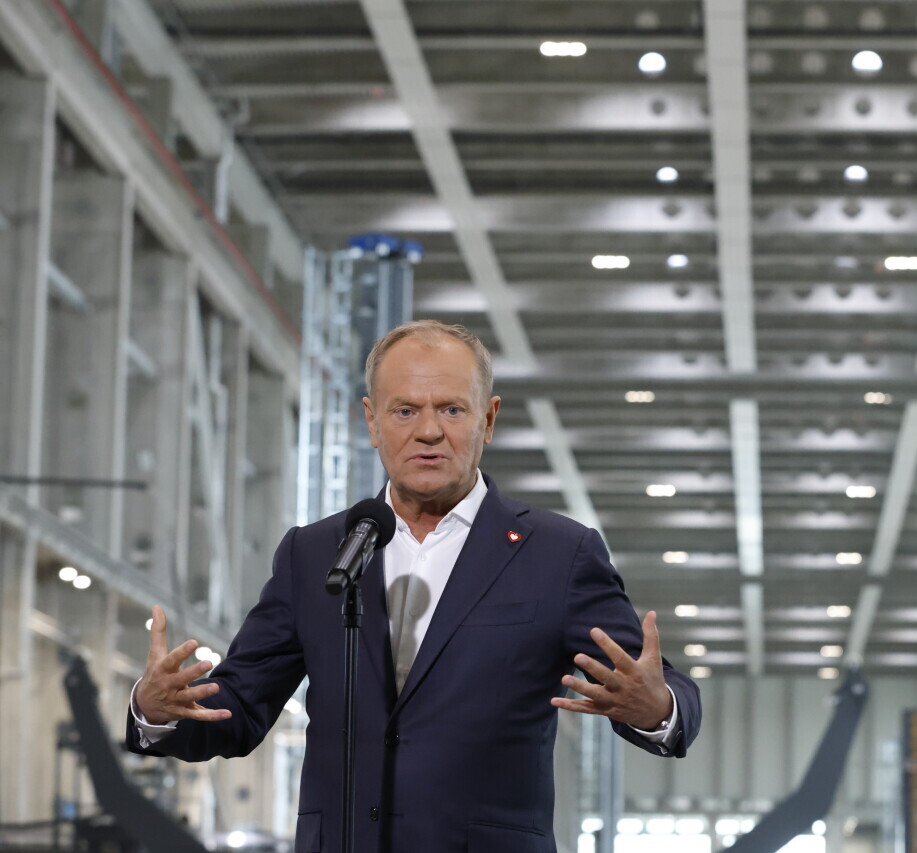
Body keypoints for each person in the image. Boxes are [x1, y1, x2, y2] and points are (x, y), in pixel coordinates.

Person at [126, 320, 702, 852]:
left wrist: (657, 708)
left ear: (488, 420)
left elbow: (657, 684)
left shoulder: (558, 554)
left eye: (452, 409)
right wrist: (157, 710)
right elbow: (238, 707)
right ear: (372, 422)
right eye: (404, 410)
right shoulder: (314, 553)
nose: (428, 431)